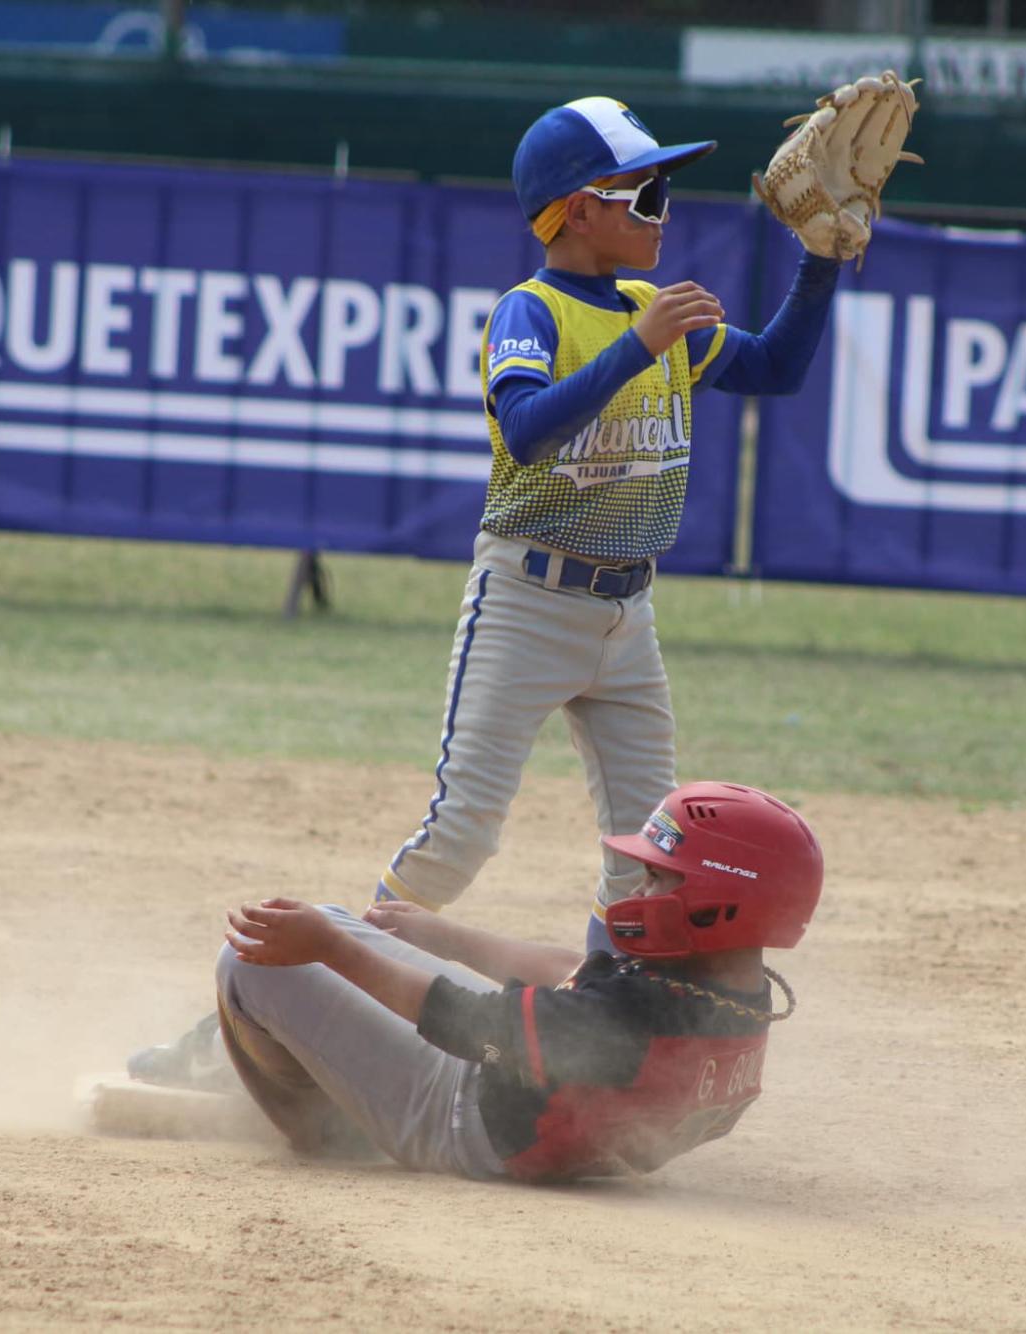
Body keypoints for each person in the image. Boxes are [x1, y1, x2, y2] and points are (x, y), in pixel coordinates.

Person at [130, 94, 851, 1088]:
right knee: (457, 834)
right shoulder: (533, 310)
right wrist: (639, 348)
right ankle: (247, 1023)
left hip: (625, 614)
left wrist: (819, 259)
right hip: (526, 598)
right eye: (641, 190)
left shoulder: (657, 315)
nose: (661, 208)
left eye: (664, 188)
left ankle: (609, 1041)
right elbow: (525, 428)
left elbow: (772, 368)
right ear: (573, 209)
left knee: (649, 851)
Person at [212, 782, 822, 1182]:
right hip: (544, 1117)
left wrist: (329, 948)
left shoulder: (626, 1021)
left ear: (723, 900)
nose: (640, 891)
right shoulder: (732, 988)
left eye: (661, 878)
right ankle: (322, 1055)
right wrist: (442, 935)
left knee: (250, 961)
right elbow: (580, 975)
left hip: (462, 1121)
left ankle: (326, 1125)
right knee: (333, 923)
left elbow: (462, 1022)